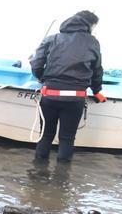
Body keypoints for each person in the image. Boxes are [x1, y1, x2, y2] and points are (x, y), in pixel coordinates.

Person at [29, 10, 105, 163]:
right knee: (67, 138)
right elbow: (97, 70)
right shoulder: (93, 42)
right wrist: (97, 91)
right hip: (75, 99)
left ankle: (37, 177)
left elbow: (37, 65)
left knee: (46, 135)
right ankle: (62, 180)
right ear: (89, 25)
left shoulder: (52, 39)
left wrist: (43, 78)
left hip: (50, 94)